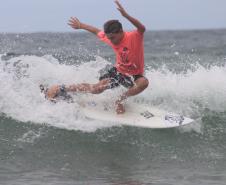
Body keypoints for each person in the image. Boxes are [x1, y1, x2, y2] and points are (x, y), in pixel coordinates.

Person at [44, 0, 149, 114]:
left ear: (120, 32)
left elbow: (142, 28)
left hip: (136, 75)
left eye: (112, 37)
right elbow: (97, 31)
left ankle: (119, 100)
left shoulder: (134, 36)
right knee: (96, 89)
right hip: (119, 72)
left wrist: (126, 15)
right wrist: (81, 25)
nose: (110, 40)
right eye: (108, 38)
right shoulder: (111, 39)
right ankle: (60, 89)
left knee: (143, 83)